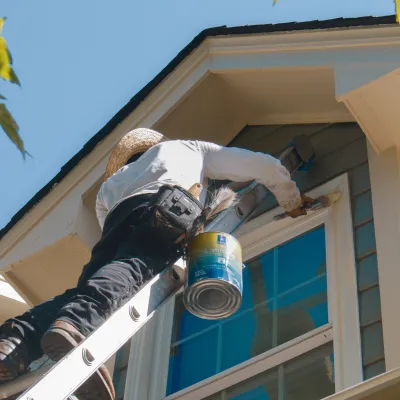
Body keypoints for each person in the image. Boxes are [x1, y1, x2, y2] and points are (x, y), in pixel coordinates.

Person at [0, 128, 310, 400]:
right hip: (167, 210)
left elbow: (109, 233)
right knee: (133, 268)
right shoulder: (187, 148)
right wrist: (291, 201)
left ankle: (15, 342)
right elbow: (261, 165)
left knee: (88, 287)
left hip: (119, 221)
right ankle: (75, 326)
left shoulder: (110, 186)